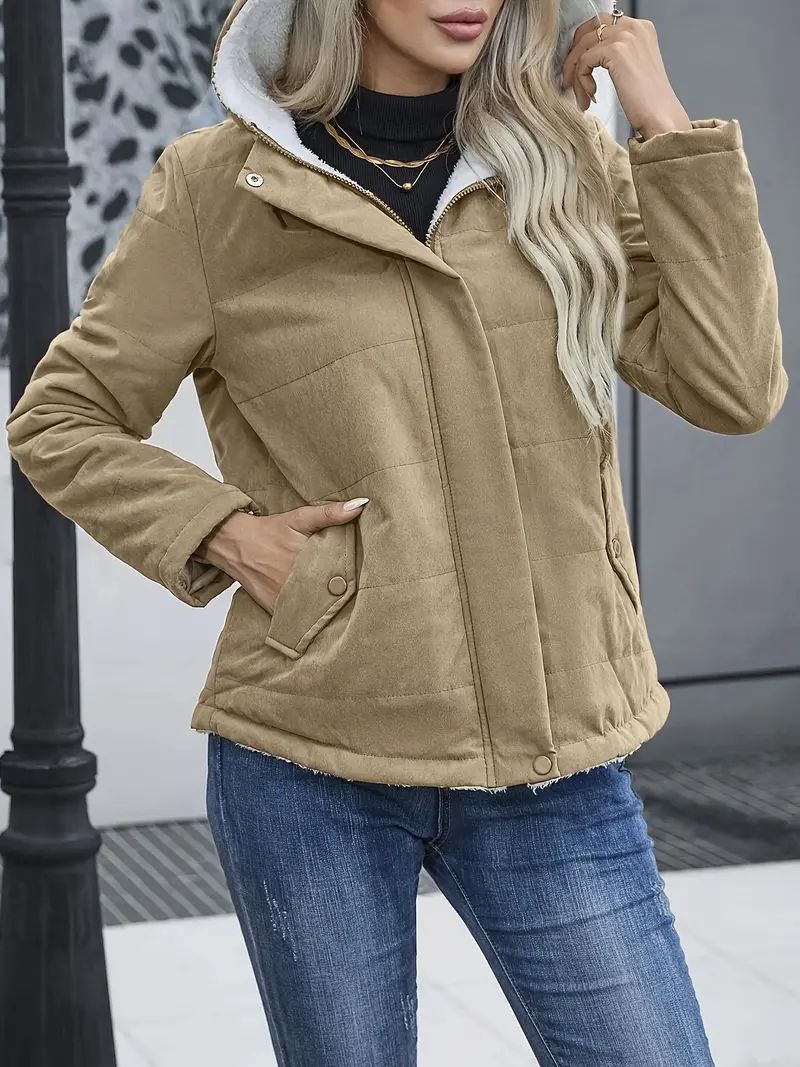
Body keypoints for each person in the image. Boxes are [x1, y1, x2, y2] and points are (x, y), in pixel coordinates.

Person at [5, 0, 787, 1062]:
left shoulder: (565, 163)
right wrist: (228, 532)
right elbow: (60, 418)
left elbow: (731, 384)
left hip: (554, 761)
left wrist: (665, 131)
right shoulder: (218, 190)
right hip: (310, 765)